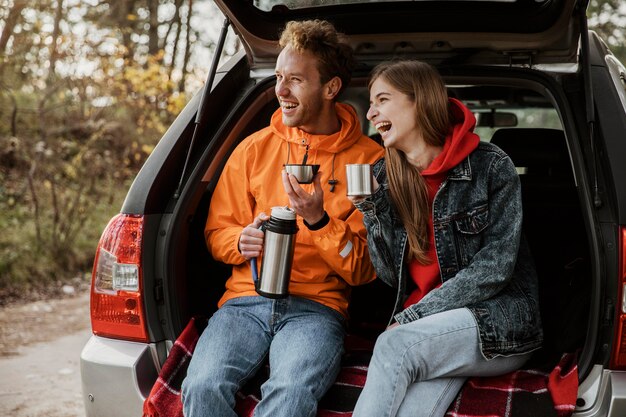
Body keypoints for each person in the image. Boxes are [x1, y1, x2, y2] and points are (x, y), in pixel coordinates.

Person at [181, 20, 384, 417]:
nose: (281, 91)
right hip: (243, 302)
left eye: (295, 79)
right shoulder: (252, 150)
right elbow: (217, 232)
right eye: (278, 77)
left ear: (330, 88)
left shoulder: (370, 161)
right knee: (202, 386)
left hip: (318, 308)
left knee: (290, 394)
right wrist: (241, 241)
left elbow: (365, 269)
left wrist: (319, 221)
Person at [349, 60, 543, 417]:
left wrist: (414, 317)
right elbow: (392, 277)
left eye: (382, 99)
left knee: (393, 345)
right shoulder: (383, 175)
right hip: (429, 330)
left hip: (496, 322)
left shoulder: (491, 166)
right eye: (371, 103)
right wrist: (372, 209)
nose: (372, 112)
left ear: (419, 101)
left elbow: (494, 269)